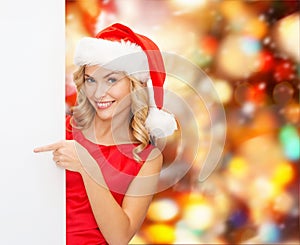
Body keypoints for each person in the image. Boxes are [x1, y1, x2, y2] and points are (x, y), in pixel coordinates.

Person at [34, 23, 177, 245]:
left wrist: (87, 167)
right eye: (91, 79)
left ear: (134, 85)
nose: (98, 92)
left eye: (111, 80)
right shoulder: (60, 129)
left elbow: (119, 238)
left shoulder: (147, 158)